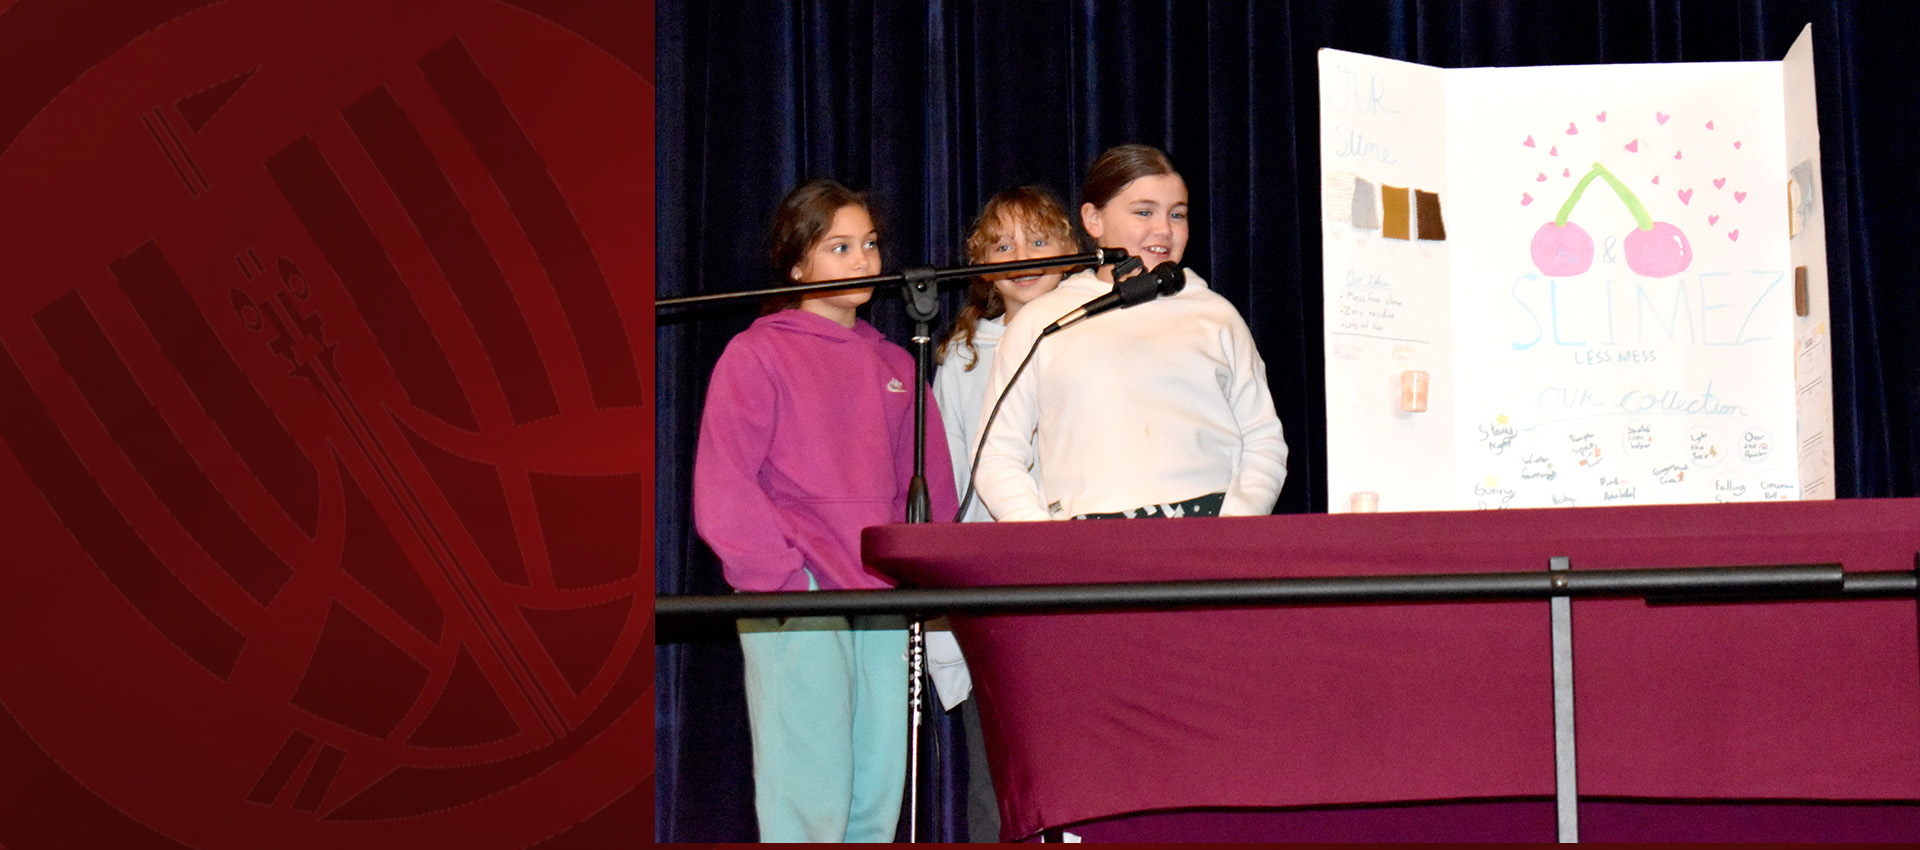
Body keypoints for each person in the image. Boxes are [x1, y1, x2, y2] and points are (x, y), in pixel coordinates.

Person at [693, 178, 958, 843]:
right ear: (796, 264)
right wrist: (782, 581)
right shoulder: (757, 352)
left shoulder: (898, 362)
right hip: (801, 593)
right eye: (839, 247)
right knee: (808, 789)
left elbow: (931, 490)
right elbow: (724, 484)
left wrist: (917, 579)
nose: (863, 260)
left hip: (880, 597)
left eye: (869, 244)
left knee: (877, 787)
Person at [972, 143, 1288, 523]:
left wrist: (1235, 523)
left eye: (1177, 214)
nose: (1164, 229)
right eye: (1144, 212)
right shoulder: (1042, 322)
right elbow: (996, 455)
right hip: (1089, 537)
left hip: (1210, 528)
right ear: (1094, 220)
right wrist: (1044, 538)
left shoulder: (1216, 315)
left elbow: (1263, 440)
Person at [928, 185, 1080, 841]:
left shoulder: (1100, 344)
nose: (1023, 257)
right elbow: (949, 487)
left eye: (1039, 241)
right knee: (998, 779)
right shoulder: (963, 361)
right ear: (982, 265)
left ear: (1072, 250)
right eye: (1003, 245)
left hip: (1082, 590)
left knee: (1081, 771)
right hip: (997, 595)